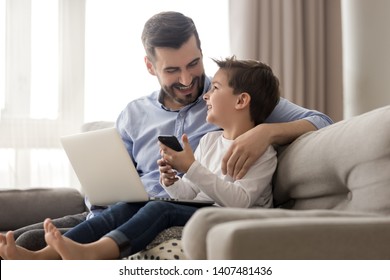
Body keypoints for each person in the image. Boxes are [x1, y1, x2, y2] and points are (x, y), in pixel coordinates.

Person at [6, 10, 333, 253]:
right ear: (151, 67)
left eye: (194, 64)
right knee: (24, 240)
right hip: (119, 211)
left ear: (201, 53)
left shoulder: (233, 98)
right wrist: (167, 181)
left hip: (169, 214)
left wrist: (267, 134)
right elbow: (109, 184)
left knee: (34, 241)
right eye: (173, 70)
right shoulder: (134, 114)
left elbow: (322, 123)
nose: (189, 80)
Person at [0, 56, 281, 259]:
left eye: (216, 88)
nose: (206, 94)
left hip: (231, 217)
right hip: (205, 209)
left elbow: (240, 202)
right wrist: (172, 181)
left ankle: (97, 252)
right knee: (130, 205)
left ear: (241, 101)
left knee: (162, 210)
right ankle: (46, 255)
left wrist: (191, 167)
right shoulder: (210, 140)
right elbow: (194, 192)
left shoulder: (262, 152)